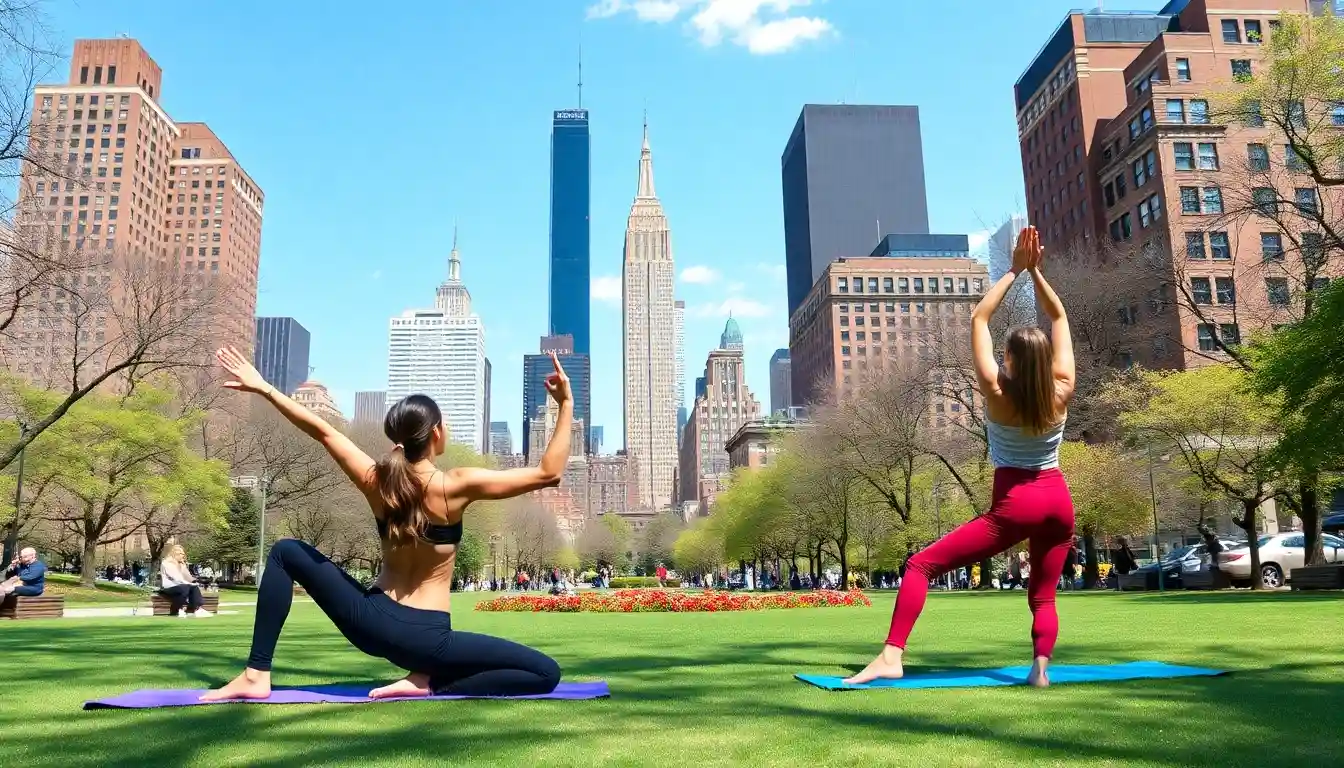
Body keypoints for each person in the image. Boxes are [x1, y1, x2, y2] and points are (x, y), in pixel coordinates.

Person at [201, 346, 569, 702]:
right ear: (436, 433)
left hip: (370, 624)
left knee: (285, 552)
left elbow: (323, 431)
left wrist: (264, 387)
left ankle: (255, 674)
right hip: (426, 641)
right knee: (544, 673)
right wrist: (565, 404)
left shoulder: (378, 480)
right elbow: (548, 473)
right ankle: (430, 682)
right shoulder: (453, 485)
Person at [847, 226, 1076, 689]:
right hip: (1058, 501)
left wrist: (1015, 270)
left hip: (1016, 503)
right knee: (1044, 596)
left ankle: (892, 655)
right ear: (1045, 359)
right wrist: (1037, 274)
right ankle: (1040, 670)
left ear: (1008, 361)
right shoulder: (1063, 389)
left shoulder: (996, 392)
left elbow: (978, 320)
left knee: (919, 566)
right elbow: (1060, 317)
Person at [160, 545, 213, 618]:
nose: (183, 556)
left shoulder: (181, 564)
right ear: (175, 554)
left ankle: (197, 609)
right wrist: (188, 583)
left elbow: (188, 577)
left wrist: (196, 581)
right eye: (182, 554)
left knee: (194, 587)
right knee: (185, 588)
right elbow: (176, 578)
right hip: (169, 586)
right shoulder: (167, 563)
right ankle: (178, 609)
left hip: (182, 585)